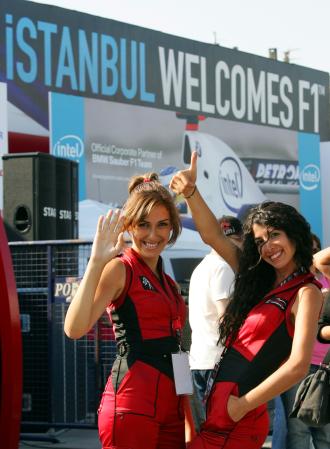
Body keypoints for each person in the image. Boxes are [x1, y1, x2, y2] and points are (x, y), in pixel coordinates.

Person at [169, 151, 323, 449]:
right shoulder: (257, 278)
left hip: (241, 416)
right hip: (217, 403)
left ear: (294, 236)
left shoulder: (307, 292)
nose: (269, 247)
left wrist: (242, 405)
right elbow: (213, 236)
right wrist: (191, 192)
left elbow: (298, 366)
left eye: (275, 235)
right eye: (261, 241)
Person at [64, 172, 194, 449]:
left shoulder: (169, 284)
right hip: (131, 406)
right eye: (143, 225)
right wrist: (96, 262)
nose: (152, 235)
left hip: (172, 411)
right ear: (130, 226)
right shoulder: (120, 268)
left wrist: (188, 413)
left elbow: (179, 349)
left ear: (172, 228)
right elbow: (74, 329)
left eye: (162, 225)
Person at [272, 235, 330, 449]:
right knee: (297, 430)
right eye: (307, 250)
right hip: (298, 364)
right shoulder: (295, 283)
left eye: (314, 249)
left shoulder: (325, 278)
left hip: (325, 366)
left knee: (325, 430)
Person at [189, 216, 243, 425]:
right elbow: (226, 318)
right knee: (223, 428)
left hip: (201, 359)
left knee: (210, 427)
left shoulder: (201, 268)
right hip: (219, 361)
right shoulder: (223, 268)